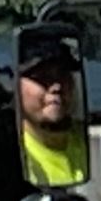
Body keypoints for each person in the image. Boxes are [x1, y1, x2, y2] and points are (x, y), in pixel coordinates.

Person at [16, 41, 91, 189]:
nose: (56, 87)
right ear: (16, 86)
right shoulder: (11, 157)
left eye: (63, 75)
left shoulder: (90, 140)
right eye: (42, 77)